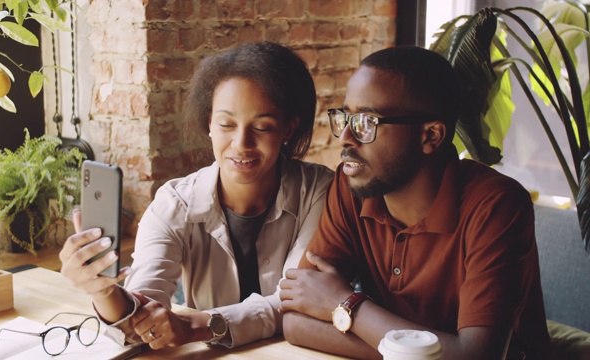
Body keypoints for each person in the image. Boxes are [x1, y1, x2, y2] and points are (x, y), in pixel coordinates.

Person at [278, 46, 555, 360]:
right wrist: (414, 351)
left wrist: (347, 305)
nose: (345, 139)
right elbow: (296, 321)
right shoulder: (352, 185)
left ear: (431, 136)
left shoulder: (496, 206)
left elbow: (477, 357)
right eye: (345, 118)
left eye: (367, 122)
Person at [59, 41, 333, 349]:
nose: (242, 143)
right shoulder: (173, 203)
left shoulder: (319, 192)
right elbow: (143, 316)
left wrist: (198, 325)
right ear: (209, 124)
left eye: (262, 127)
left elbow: (298, 302)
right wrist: (103, 292)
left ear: (289, 129)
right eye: (226, 124)